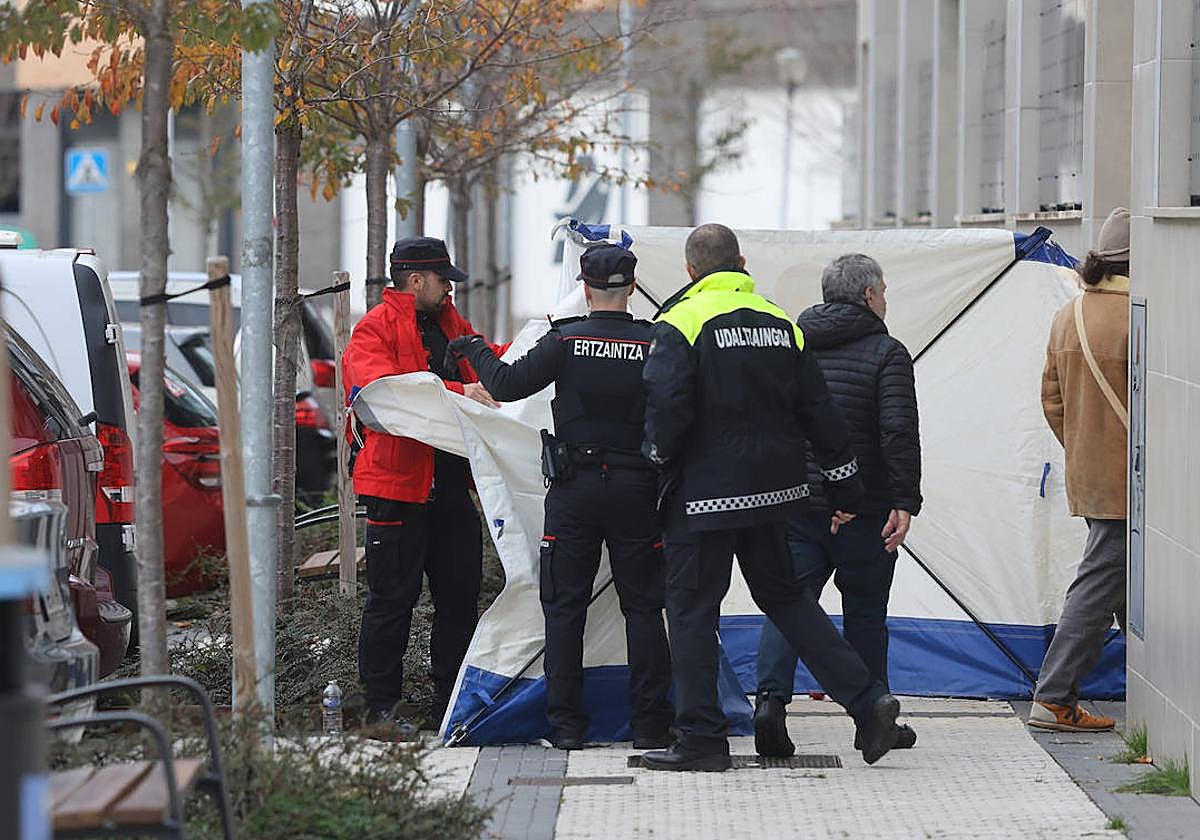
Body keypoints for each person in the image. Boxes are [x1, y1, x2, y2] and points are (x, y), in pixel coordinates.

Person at [639, 223, 903, 772]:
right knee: (788, 600)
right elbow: (819, 411)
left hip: (704, 498)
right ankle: (868, 701)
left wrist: (658, 467)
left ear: (691, 271)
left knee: (690, 610)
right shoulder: (782, 323)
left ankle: (701, 741)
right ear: (741, 263)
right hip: (777, 495)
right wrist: (846, 486)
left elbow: (666, 412)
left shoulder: (680, 322)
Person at [448, 244, 674, 751]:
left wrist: (471, 346)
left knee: (565, 607)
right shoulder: (656, 342)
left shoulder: (566, 340)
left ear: (586, 288)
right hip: (637, 489)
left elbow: (504, 385)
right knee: (643, 608)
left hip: (576, 489)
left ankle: (568, 727)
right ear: (632, 288)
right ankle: (651, 728)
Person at [752, 253, 922, 757]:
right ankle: (873, 718)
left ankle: (768, 705)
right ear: (869, 296)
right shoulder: (887, 353)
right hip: (864, 508)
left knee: (789, 604)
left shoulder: (791, 343)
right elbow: (896, 431)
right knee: (866, 613)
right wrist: (903, 499)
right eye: (884, 291)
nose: (885, 300)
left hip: (797, 503)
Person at [341, 236, 505, 734]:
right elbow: (389, 395)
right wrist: (462, 390)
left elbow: (493, 361)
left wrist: (540, 347)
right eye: (442, 281)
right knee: (392, 603)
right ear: (417, 280)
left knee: (459, 599)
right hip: (397, 491)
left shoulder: (450, 323)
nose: (449, 290)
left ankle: (450, 706)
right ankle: (381, 712)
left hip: (451, 492)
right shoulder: (374, 330)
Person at [1028, 207, 1131, 733]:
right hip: (1131, 484)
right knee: (1097, 586)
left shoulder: (1068, 314)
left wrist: (1085, 448)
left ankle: (1150, 685)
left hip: (1090, 476)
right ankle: (1053, 698)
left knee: (1123, 588)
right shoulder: (1141, 314)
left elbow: (1051, 399)